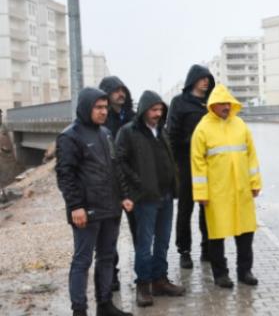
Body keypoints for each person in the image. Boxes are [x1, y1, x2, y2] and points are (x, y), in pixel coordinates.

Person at [56, 87, 133, 316]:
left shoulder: (106, 134)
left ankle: (105, 304)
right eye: (98, 107)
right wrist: (75, 206)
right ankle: (79, 310)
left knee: (107, 257)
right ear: (86, 107)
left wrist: (124, 195)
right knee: (82, 260)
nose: (103, 112)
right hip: (86, 211)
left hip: (110, 208)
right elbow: (65, 175)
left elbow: (115, 167)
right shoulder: (70, 136)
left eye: (105, 107)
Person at [115, 90, 186, 307]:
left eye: (160, 110)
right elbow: (119, 162)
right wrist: (134, 188)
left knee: (163, 241)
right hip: (145, 198)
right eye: (154, 110)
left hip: (165, 195)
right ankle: (143, 285)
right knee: (144, 244)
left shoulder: (161, 131)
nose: (157, 114)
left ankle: (160, 280)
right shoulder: (129, 132)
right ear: (144, 110)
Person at [190, 84, 262, 288]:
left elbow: (251, 157)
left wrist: (255, 183)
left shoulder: (240, 125)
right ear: (212, 105)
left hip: (242, 191)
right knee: (217, 235)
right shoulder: (202, 129)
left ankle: (245, 271)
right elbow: (198, 164)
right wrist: (201, 193)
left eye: (228, 103)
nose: (226, 107)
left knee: (246, 233)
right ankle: (220, 274)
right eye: (222, 103)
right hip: (217, 193)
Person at [167, 64, 215, 269]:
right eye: (202, 78)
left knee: (208, 208)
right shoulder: (179, 103)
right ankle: (184, 251)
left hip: (209, 164)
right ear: (193, 80)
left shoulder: (212, 102)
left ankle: (207, 247)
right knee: (185, 208)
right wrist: (192, 143)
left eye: (208, 78)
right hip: (186, 163)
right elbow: (171, 134)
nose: (206, 82)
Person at [98, 76, 136, 292]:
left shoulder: (132, 117)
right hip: (109, 184)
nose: (120, 94)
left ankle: (145, 275)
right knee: (109, 234)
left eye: (123, 90)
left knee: (139, 230)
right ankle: (111, 276)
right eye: (115, 91)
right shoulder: (102, 118)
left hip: (131, 183)